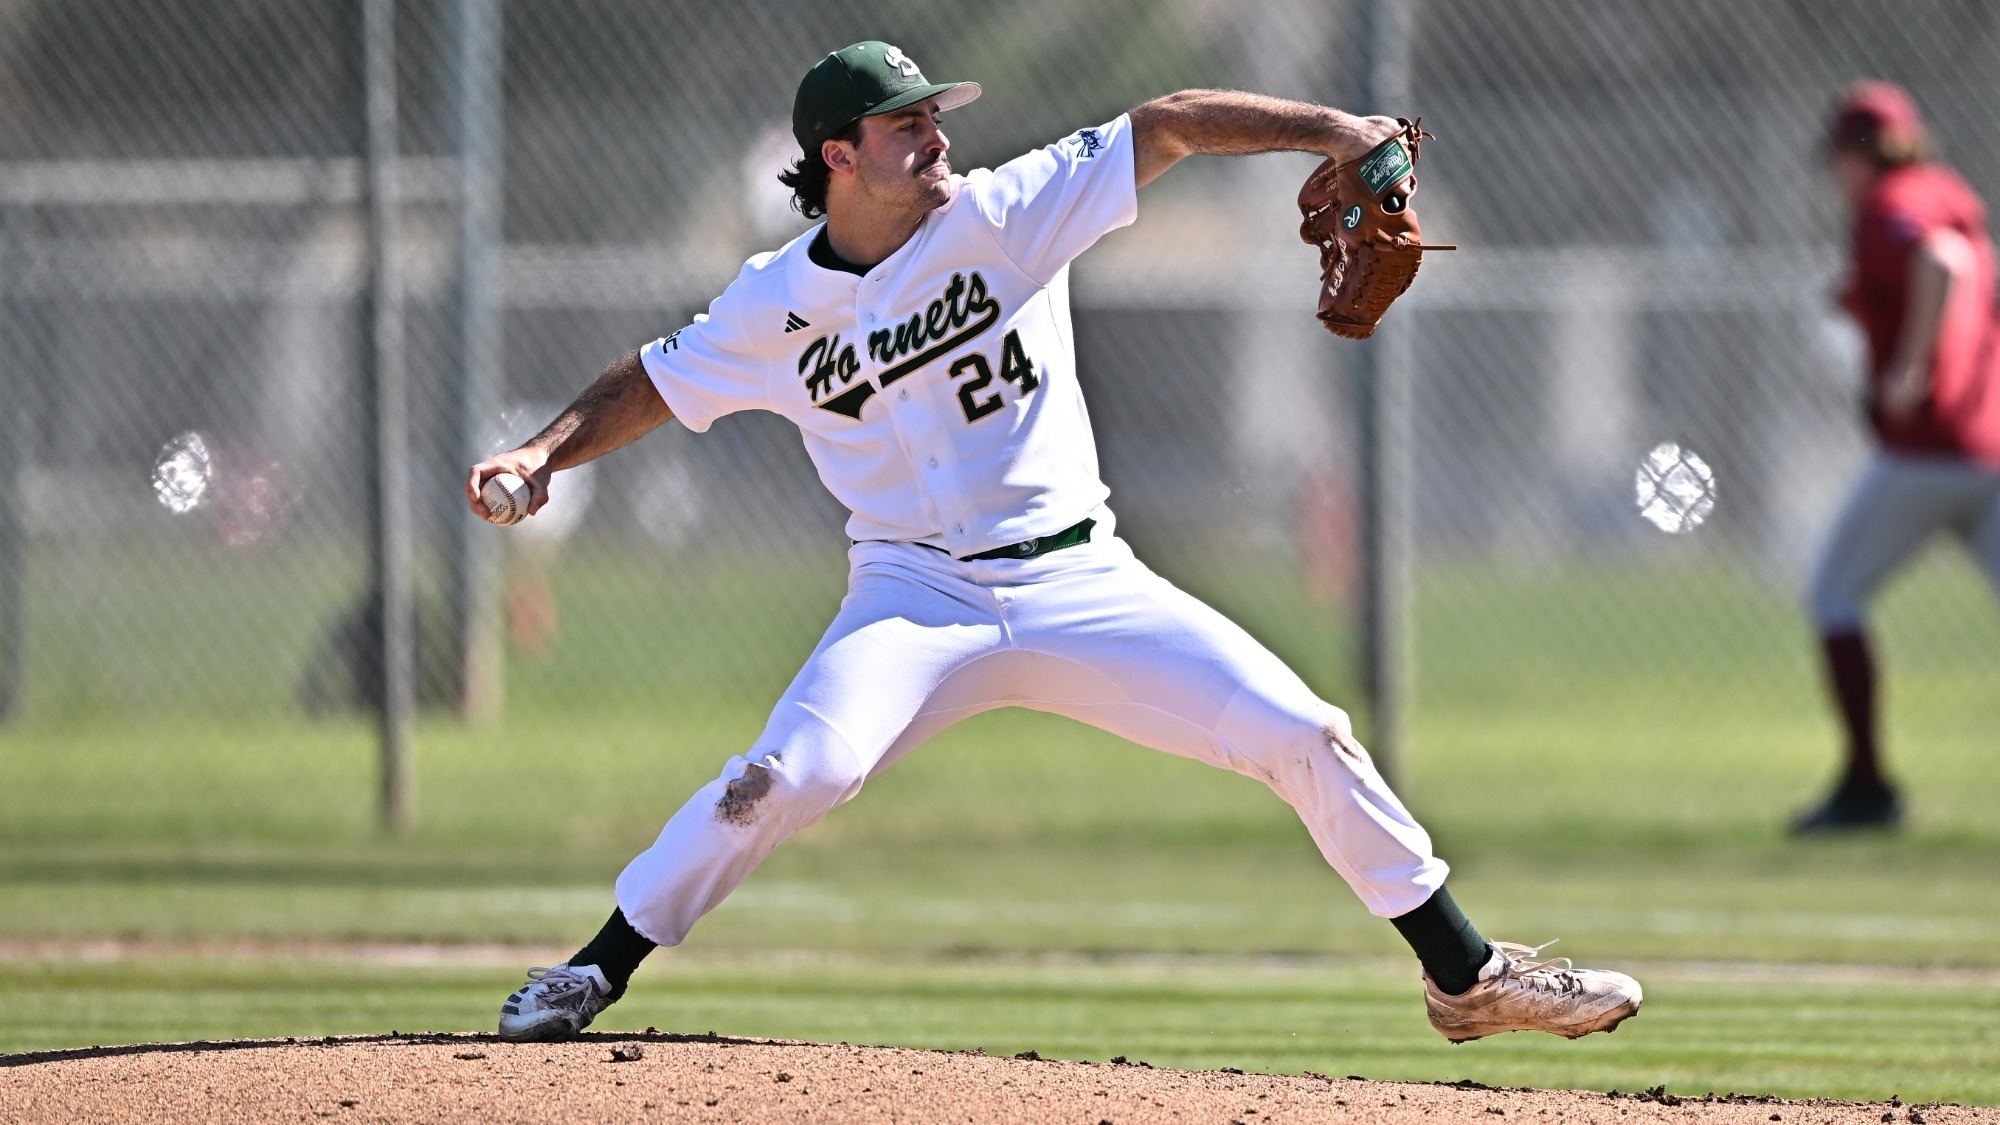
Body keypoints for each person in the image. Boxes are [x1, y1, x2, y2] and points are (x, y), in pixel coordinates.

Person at [466, 41, 1642, 1045]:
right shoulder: (771, 304)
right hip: (910, 597)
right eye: (904, 125)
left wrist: (1336, 133)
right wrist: (538, 452)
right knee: (790, 774)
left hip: (1081, 579)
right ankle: (592, 969)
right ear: (837, 154)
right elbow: (657, 382)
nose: (934, 138)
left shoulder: (1005, 210)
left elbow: (1170, 124)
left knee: (1303, 733)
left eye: (935, 117)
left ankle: (1466, 979)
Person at [1795, 81, 2000, 834]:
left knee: (1833, 591)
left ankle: (1866, 786)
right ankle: (1865, 787)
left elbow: (1937, 264)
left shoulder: (1892, 203)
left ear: (1860, 153)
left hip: (1926, 451)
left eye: (1841, 158)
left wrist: (1913, 365)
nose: (1839, 175)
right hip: (1989, 447)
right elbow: (1972, 273)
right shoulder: (1953, 193)